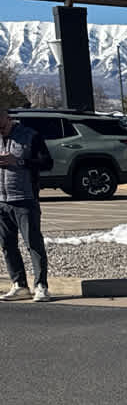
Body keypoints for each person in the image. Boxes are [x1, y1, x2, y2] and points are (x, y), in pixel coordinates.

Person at [0, 110, 52, 301]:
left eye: (1, 126)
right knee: (7, 245)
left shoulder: (30, 136)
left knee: (33, 243)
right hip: (1, 200)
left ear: (8, 118)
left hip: (25, 199)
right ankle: (19, 285)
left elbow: (47, 162)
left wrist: (19, 161)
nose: (1, 131)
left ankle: (41, 286)